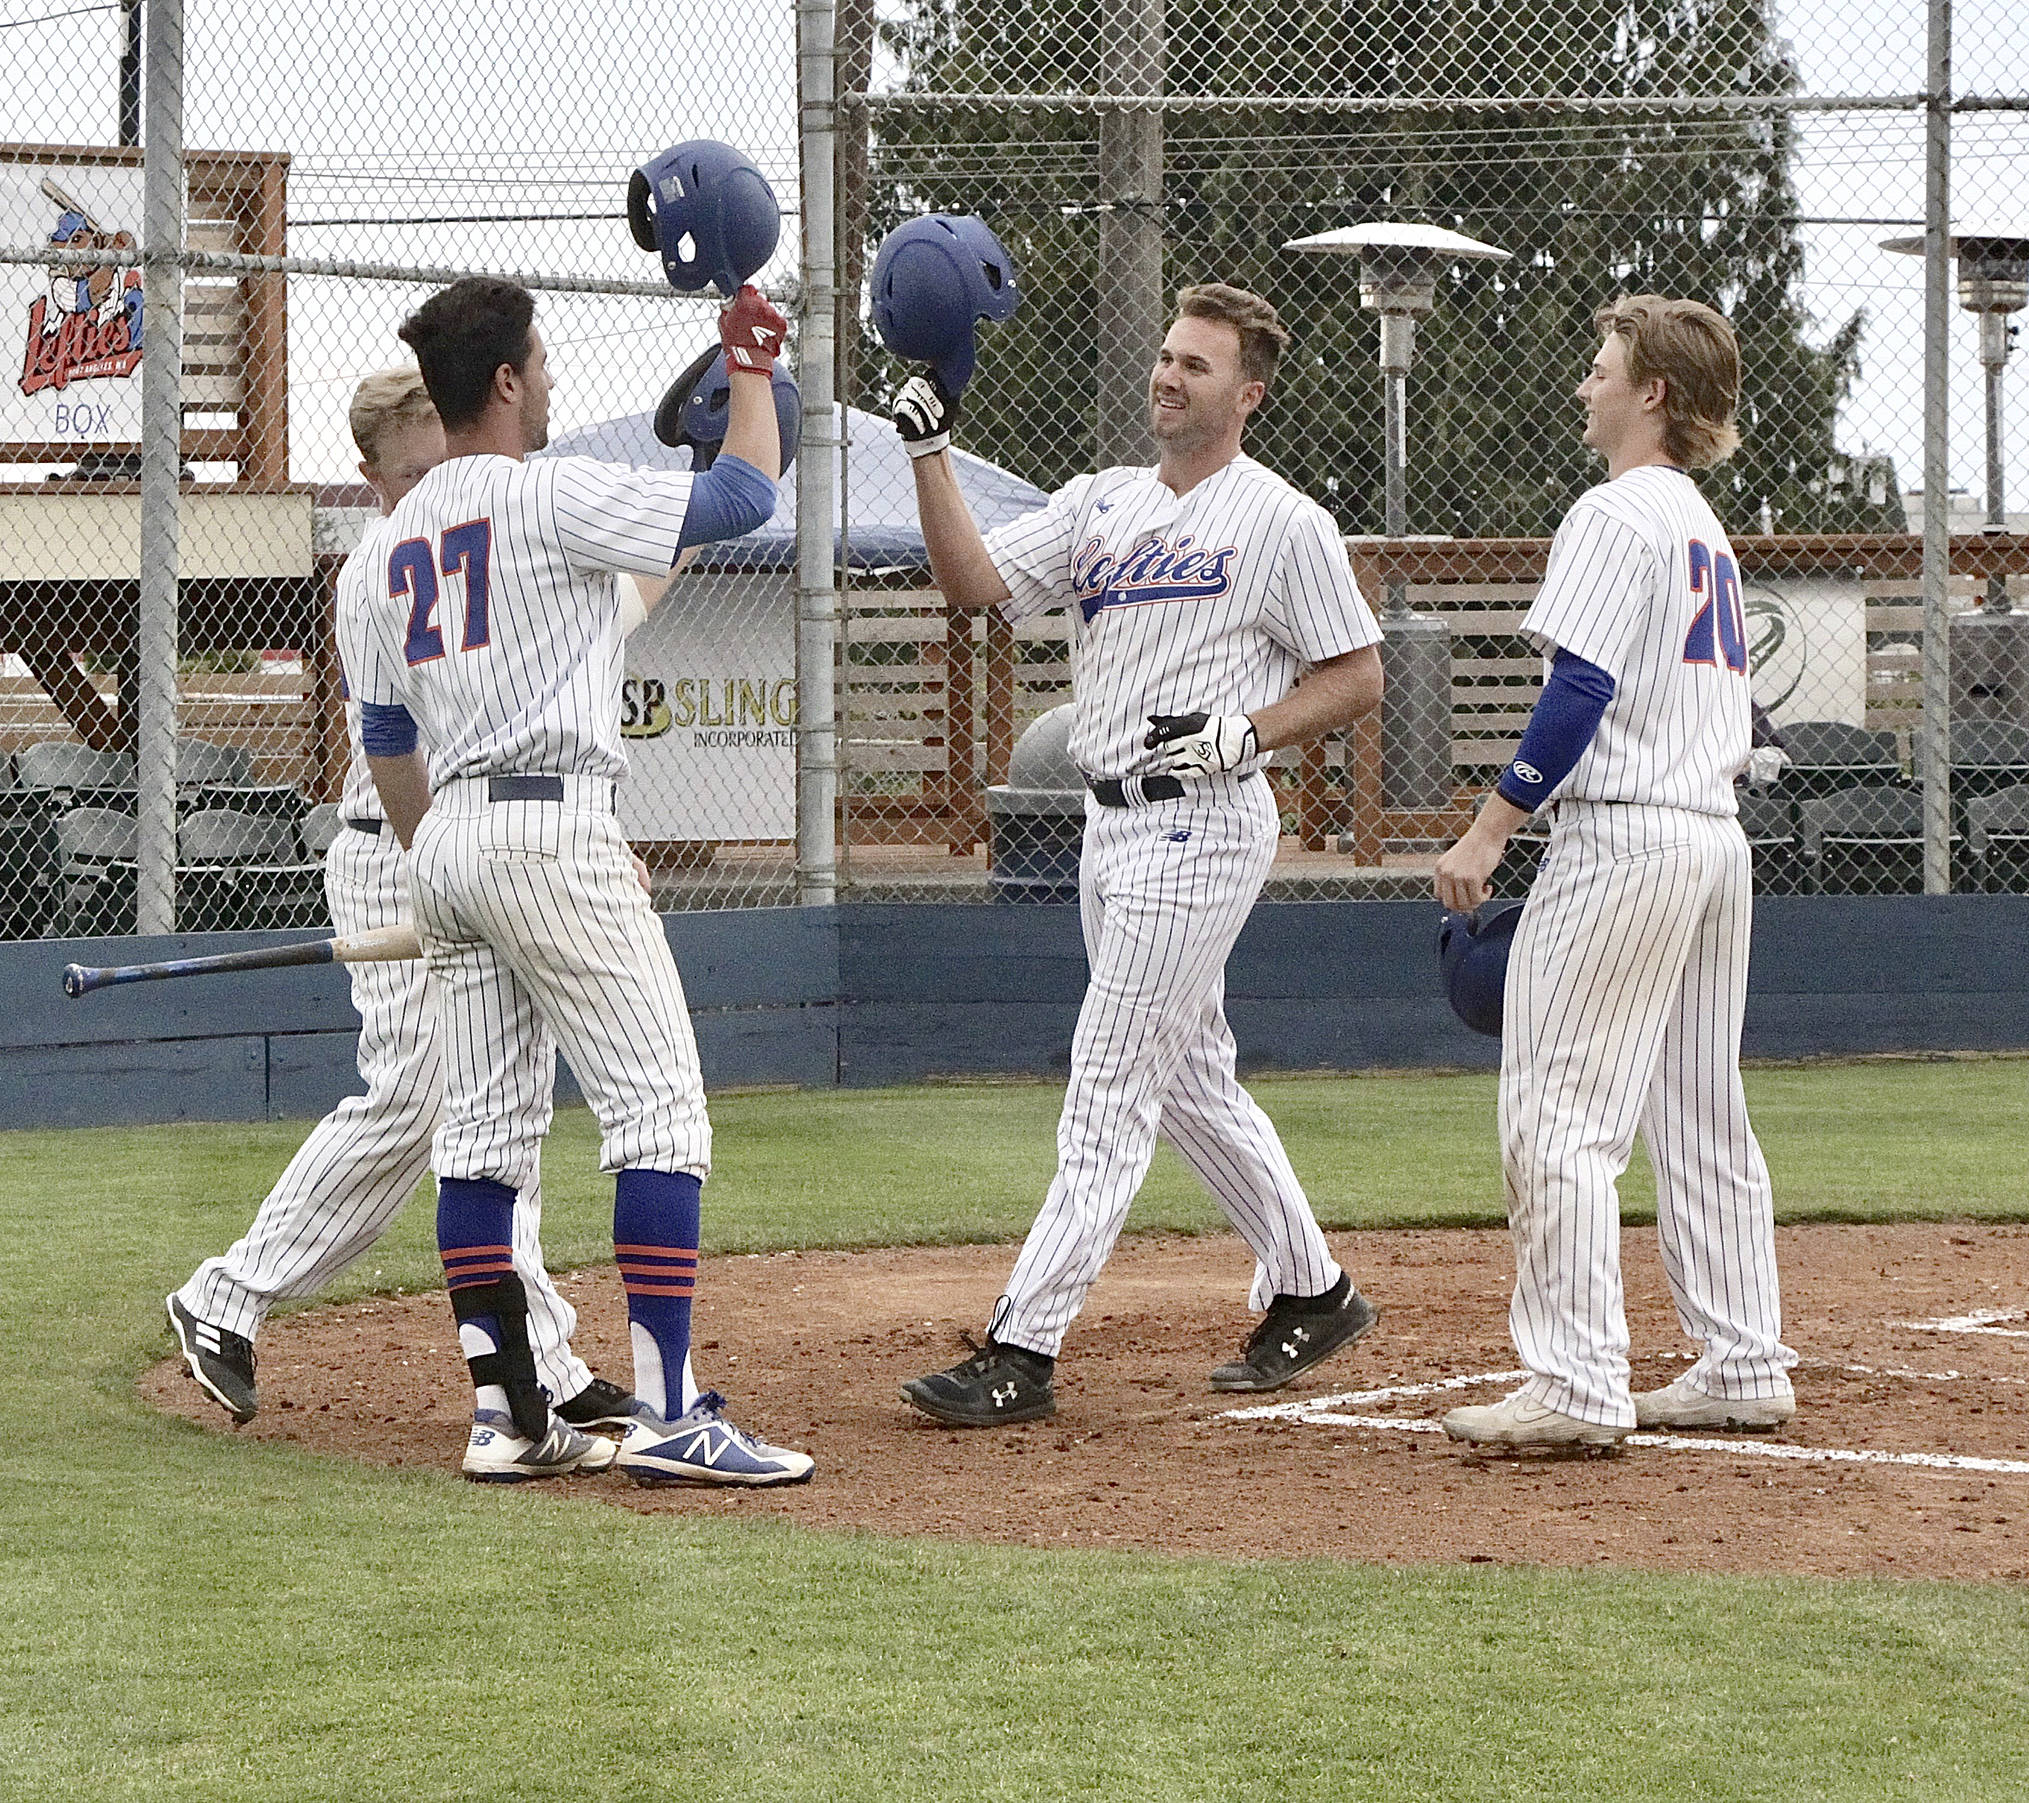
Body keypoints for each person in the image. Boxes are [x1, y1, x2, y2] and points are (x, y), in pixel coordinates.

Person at [340, 275, 812, 1486]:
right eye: (538, 364)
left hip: (448, 837)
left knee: (484, 1142)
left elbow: (390, 744)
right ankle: (670, 1411)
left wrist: (447, 875)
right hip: (553, 822)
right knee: (660, 1114)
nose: (549, 380)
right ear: (500, 381)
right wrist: (749, 364)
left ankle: (508, 1417)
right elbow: (744, 494)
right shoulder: (546, 493)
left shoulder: (390, 547)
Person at [894, 282, 1386, 1426]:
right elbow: (973, 585)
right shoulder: (1098, 503)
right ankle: (1313, 1288)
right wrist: (934, 458)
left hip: (1201, 819)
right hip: (1107, 822)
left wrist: (1247, 733)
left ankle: (1022, 1346)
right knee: (1186, 1077)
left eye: (1196, 365)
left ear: (1247, 394)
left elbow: (1356, 673)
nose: (1168, 376)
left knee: (1109, 1081)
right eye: (1166, 357)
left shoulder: (1281, 521)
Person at [167, 366, 642, 1481]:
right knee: (423, 1097)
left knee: (483, 1109)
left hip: (462, 854)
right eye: (415, 470)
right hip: (399, 847)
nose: (437, 485)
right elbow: (411, 753)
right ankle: (223, 1293)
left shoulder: (501, 546)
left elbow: (615, 610)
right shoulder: (381, 571)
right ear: (378, 479)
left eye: (448, 462)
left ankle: (549, 1366)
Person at [1432, 294, 1797, 1450]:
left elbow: (1578, 691)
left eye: (1601, 370)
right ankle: (1740, 1361)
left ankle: (1574, 1383)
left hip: (1627, 833)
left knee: (1558, 1118)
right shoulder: (1697, 521)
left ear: (1651, 394)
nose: (1582, 386)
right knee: (1698, 1115)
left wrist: (1490, 827)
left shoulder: (1611, 512)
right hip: (1707, 835)